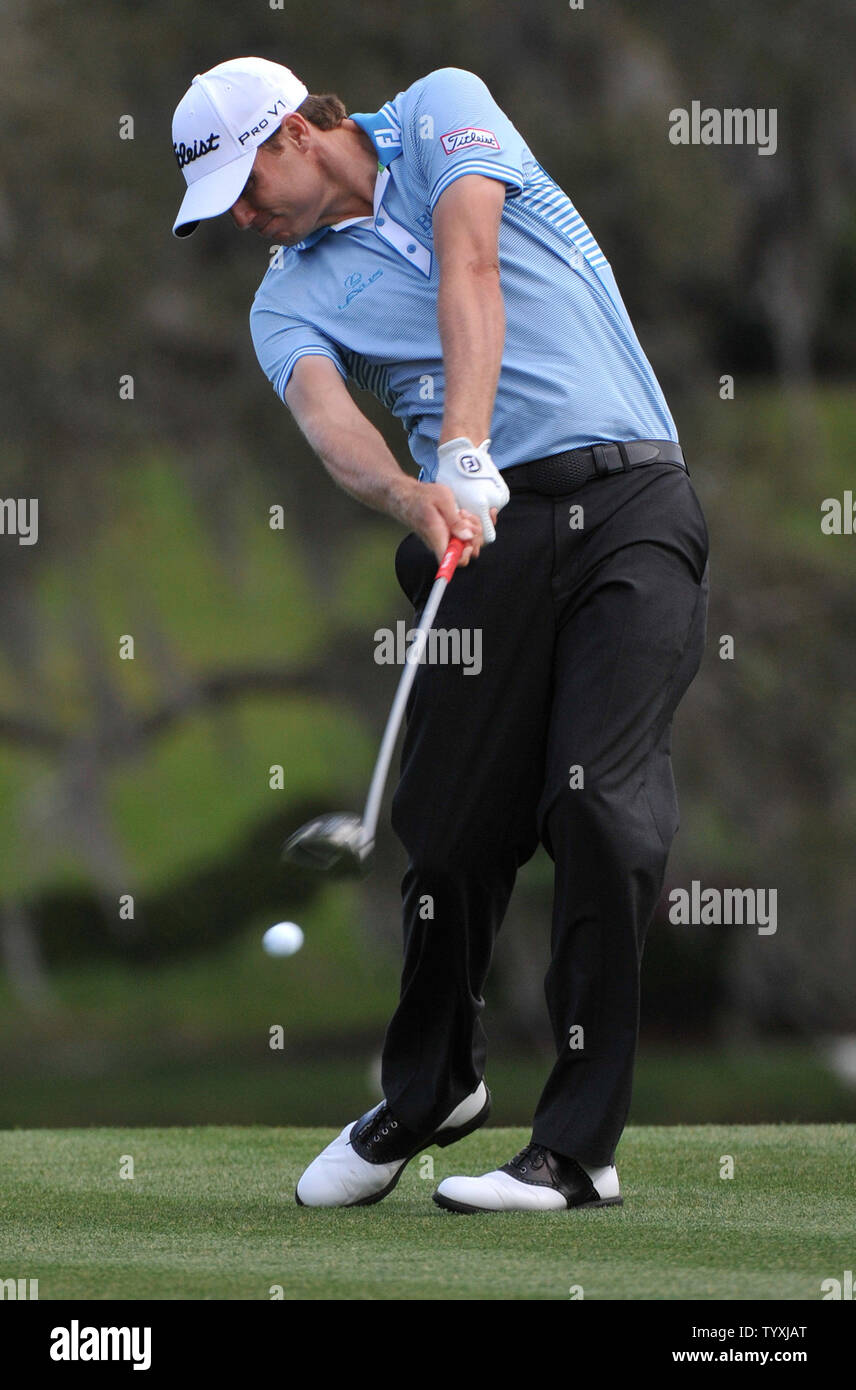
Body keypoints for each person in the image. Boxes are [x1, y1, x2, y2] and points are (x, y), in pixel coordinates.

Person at [171, 56, 710, 1213]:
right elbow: (330, 425)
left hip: (629, 502)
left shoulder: (441, 109)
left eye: (244, 191)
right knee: (450, 834)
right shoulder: (284, 295)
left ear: (296, 135)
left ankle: (573, 1151)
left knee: (598, 809)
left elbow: (470, 258)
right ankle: (429, 1090)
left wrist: (463, 439)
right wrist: (417, 497)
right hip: (481, 536)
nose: (244, 221)